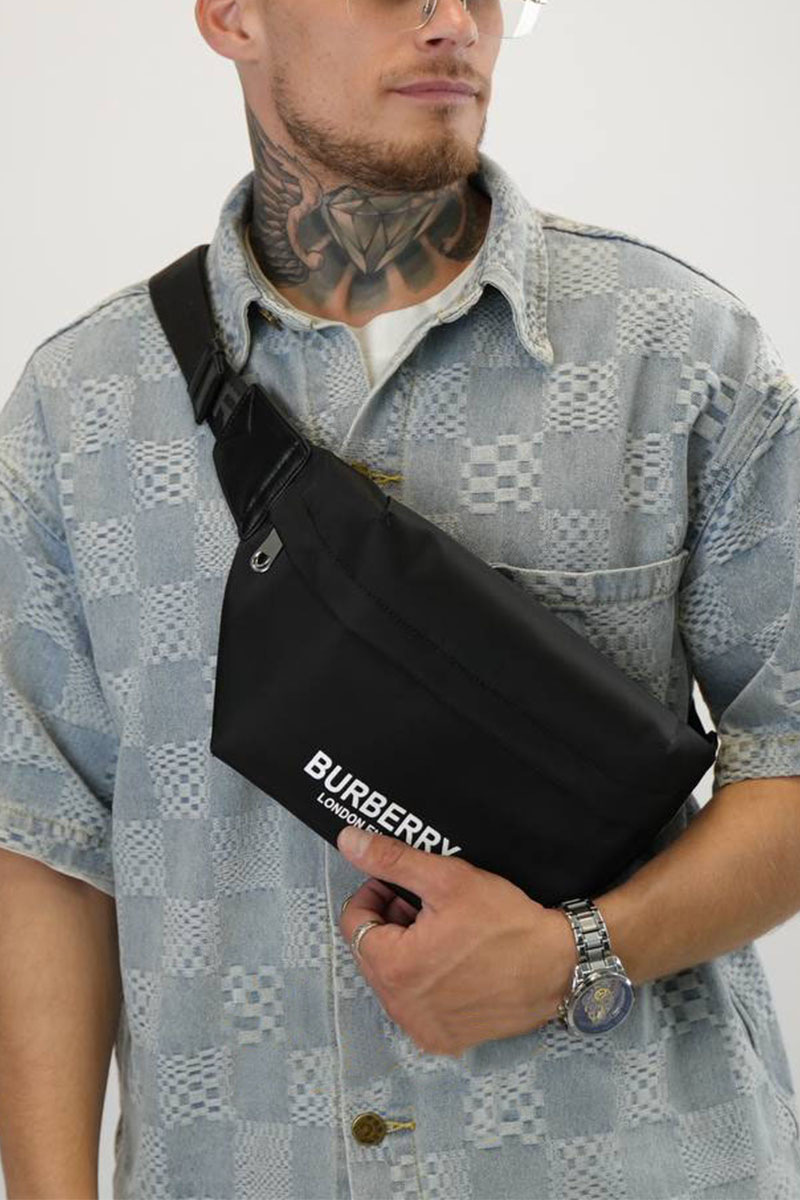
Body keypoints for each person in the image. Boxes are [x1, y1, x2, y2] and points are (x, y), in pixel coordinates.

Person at [1, 0, 799, 1195]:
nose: (449, 21)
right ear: (230, 16)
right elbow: (46, 845)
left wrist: (578, 952)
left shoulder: (680, 354)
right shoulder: (82, 409)